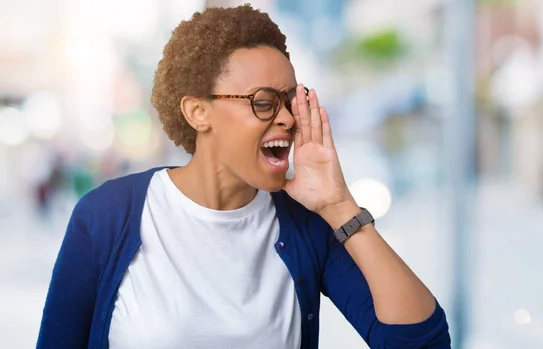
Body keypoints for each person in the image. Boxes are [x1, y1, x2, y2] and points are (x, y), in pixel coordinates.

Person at [36, 5, 450, 349]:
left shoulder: (306, 226)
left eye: (291, 101)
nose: (288, 118)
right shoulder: (108, 215)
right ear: (198, 112)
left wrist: (339, 206)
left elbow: (421, 342)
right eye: (265, 102)